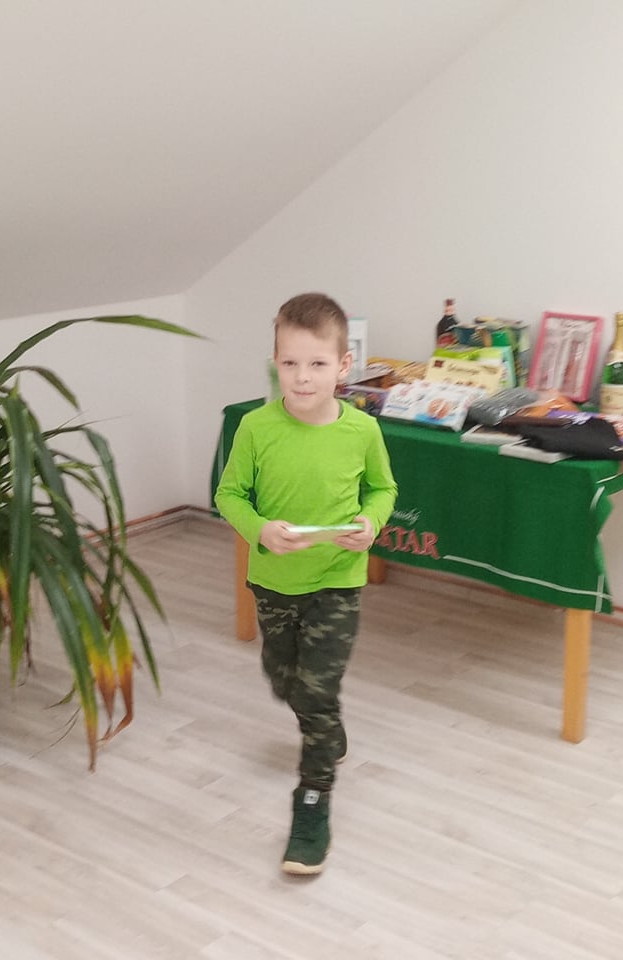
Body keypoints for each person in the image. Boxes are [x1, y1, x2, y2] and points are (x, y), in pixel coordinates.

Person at [215, 292, 397, 875]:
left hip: (337, 581)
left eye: (317, 363)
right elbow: (228, 495)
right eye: (290, 363)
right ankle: (326, 727)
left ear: (343, 366)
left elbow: (383, 490)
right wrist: (260, 530)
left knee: (316, 691)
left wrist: (370, 523)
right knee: (283, 678)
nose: (302, 376)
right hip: (272, 582)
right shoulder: (254, 427)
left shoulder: (362, 430)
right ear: (274, 362)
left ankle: (313, 801)